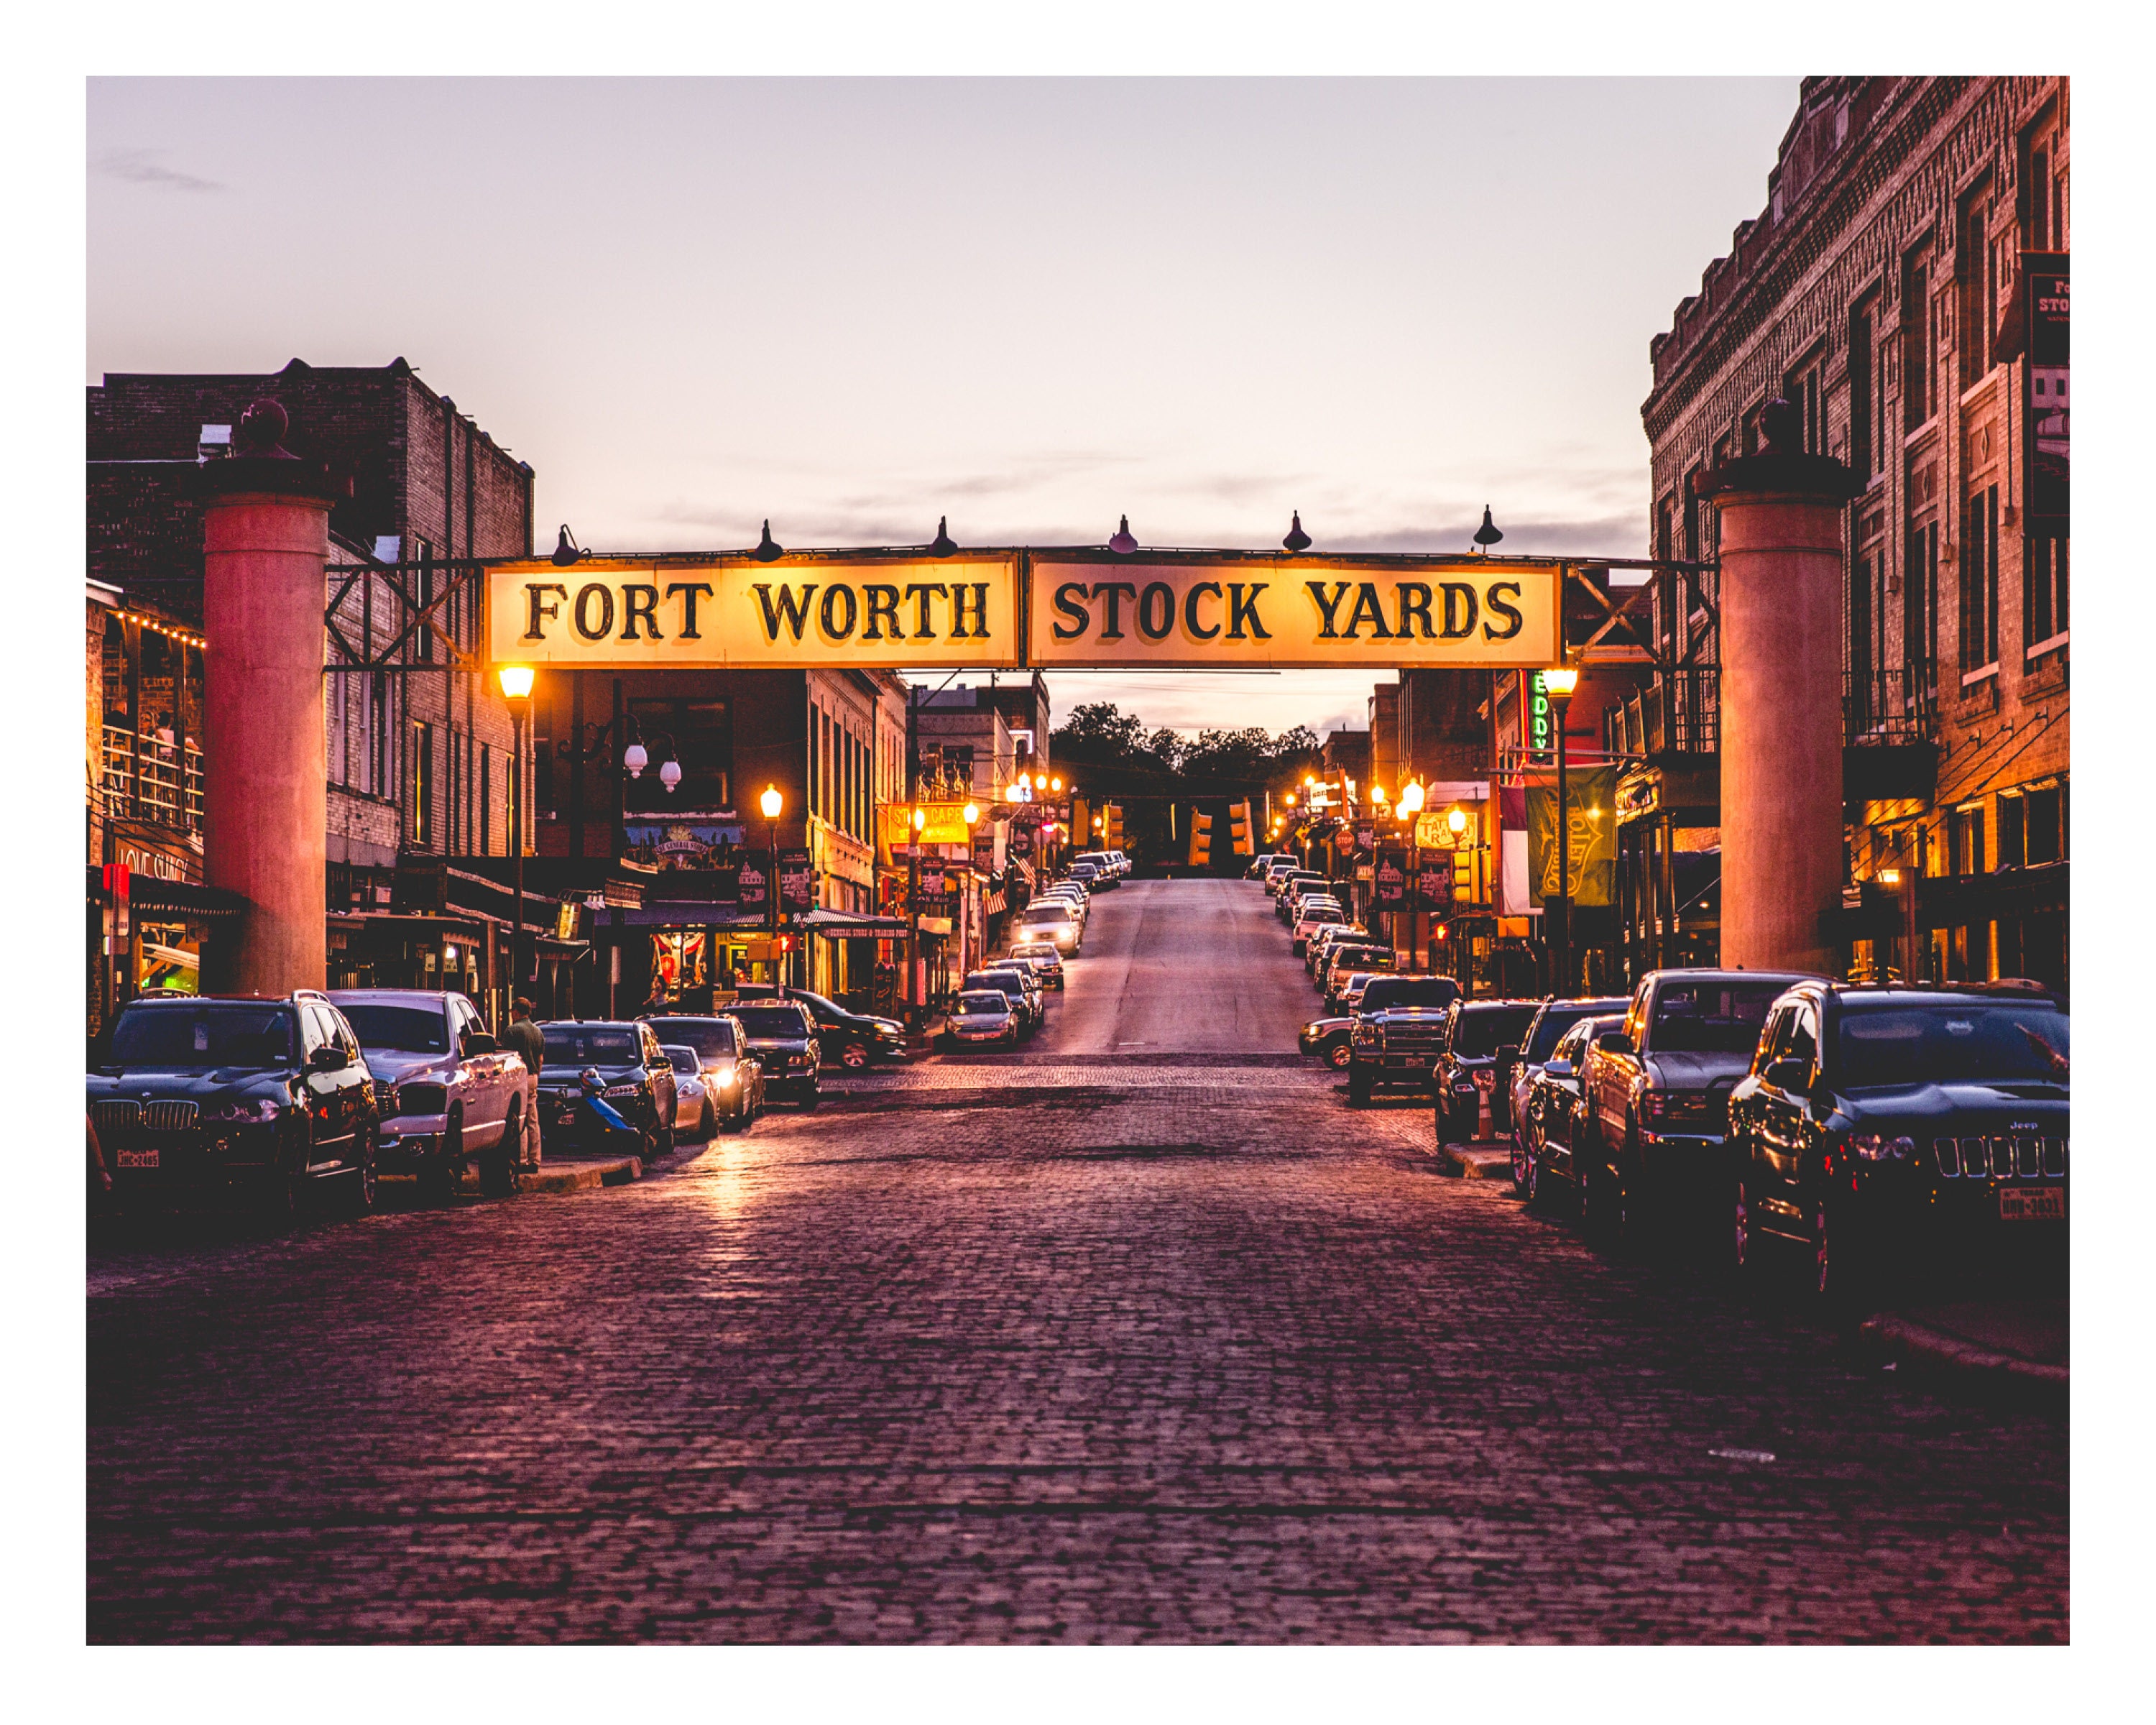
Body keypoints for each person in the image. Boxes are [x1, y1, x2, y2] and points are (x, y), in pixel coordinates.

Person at [500, 998, 545, 1171]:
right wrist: (536, 1075)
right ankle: (535, 1159)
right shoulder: (538, 1032)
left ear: (517, 1012)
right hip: (533, 1076)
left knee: (519, 1118)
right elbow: (540, 1059)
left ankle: (522, 1158)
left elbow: (506, 1057)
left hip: (518, 1077)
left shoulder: (512, 1031)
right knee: (533, 1119)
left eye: (513, 1011)